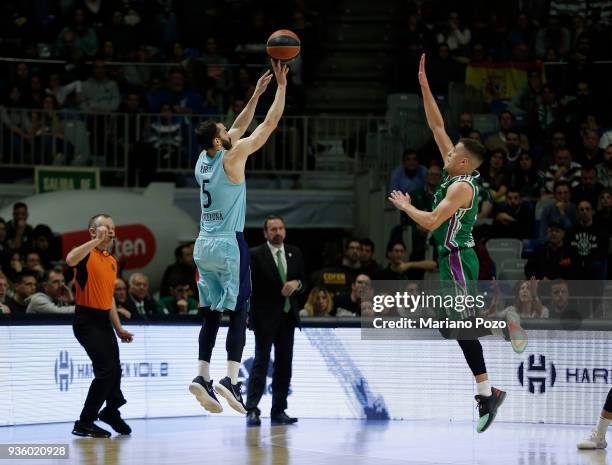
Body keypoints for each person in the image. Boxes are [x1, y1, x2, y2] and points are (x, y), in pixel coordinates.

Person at [388, 54, 527, 434]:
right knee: (451, 328)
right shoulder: (457, 174)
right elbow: (436, 123)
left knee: (459, 327)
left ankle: (500, 337)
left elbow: (432, 222)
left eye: (452, 154)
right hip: (453, 260)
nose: (445, 154)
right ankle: (488, 392)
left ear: (464, 164)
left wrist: (406, 205)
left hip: (456, 260)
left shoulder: (463, 187)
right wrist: (424, 86)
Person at [188, 60, 289, 416]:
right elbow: (268, 124)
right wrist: (279, 88)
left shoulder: (204, 158)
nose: (229, 129)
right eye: (223, 129)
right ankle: (230, 379)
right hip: (229, 244)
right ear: (220, 140)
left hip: (203, 244)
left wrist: (256, 93)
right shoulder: (235, 157)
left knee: (211, 312)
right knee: (239, 309)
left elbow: (238, 125)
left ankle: (201, 376)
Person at [66, 213, 133, 438]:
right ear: (93, 232)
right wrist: (95, 242)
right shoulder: (86, 253)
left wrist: (118, 328)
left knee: (115, 369)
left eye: (113, 227)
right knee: (106, 371)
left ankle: (111, 411)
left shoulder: (112, 261)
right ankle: (85, 421)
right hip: (86, 321)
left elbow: (109, 297)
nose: (111, 231)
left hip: (103, 321)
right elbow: (70, 260)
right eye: (105, 227)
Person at [245, 215, 305, 426]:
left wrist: (296, 283)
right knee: (261, 364)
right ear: (265, 233)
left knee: (284, 365)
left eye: (280, 228)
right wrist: (247, 314)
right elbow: (247, 287)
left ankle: (279, 410)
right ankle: (252, 409)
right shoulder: (255, 254)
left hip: (288, 317)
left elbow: (303, 281)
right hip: (263, 318)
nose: (277, 232)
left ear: (285, 230)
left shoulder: (294, 252)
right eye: (273, 229)